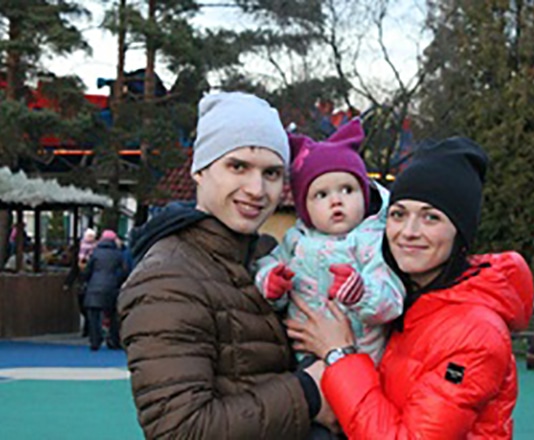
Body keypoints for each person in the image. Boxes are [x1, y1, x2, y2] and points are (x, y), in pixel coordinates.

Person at [118, 92, 333, 439]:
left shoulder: (267, 256)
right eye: (238, 167)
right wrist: (308, 393)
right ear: (200, 170)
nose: (256, 189)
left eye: (271, 173)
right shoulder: (167, 277)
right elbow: (180, 431)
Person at [287, 137, 534, 439]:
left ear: (460, 232)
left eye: (431, 217)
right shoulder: (405, 299)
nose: (409, 231)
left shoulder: (475, 335)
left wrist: (339, 355)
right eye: (399, 214)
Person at [255, 119, 404, 364]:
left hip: (359, 359)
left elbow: (392, 301)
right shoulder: (295, 239)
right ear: (305, 208)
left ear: (364, 195)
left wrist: (361, 293)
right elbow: (267, 264)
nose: (336, 201)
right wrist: (270, 282)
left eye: (347, 190)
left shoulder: (372, 241)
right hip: (302, 355)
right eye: (321, 194)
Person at [82, 229, 126, 350]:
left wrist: (87, 281)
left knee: (93, 316)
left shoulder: (95, 253)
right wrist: (117, 281)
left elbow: (88, 270)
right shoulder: (118, 254)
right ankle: (113, 340)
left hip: (94, 287)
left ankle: (95, 340)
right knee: (113, 315)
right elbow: (124, 271)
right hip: (111, 287)